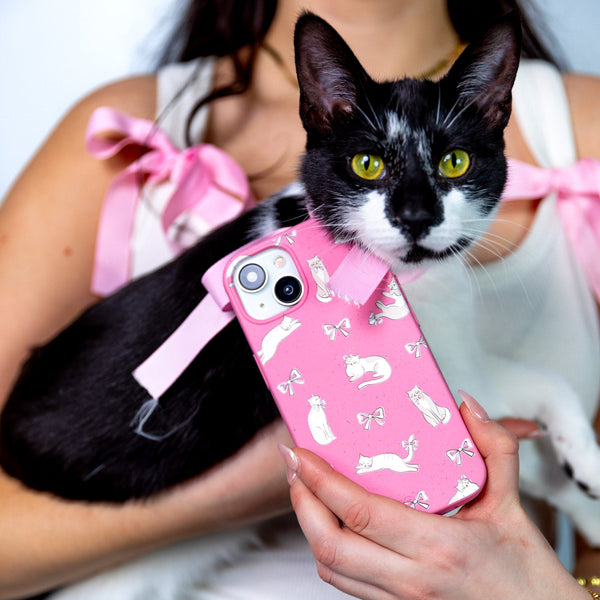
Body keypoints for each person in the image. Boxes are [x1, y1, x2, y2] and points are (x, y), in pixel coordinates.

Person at [0, 0, 598, 598]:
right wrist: (235, 492)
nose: (415, 214)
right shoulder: (123, 124)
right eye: (369, 164)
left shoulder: (578, 120)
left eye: (454, 162)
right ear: (319, 109)